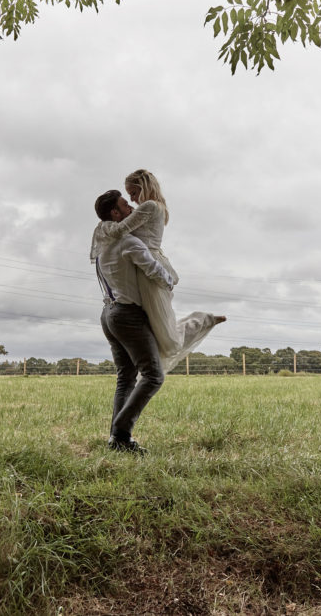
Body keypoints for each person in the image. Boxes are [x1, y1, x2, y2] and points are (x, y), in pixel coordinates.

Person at [91, 169, 224, 372]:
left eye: (133, 193)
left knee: (164, 331)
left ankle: (203, 320)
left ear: (144, 187)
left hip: (149, 265)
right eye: (128, 197)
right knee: (155, 326)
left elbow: (118, 231)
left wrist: (102, 226)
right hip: (141, 266)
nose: (132, 200)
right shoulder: (147, 208)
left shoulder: (150, 206)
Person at [92, 189, 175, 454]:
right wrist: (171, 281)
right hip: (127, 315)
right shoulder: (128, 242)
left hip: (108, 314)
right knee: (153, 375)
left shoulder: (103, 244)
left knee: (126, 377)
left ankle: (117, 440)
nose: (132, 208)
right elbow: (153, 269)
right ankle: (121, 433)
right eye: (125, 205)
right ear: (115, 213)